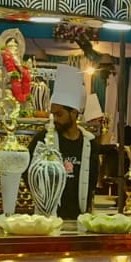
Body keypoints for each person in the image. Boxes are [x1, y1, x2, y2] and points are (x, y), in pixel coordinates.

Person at [34, 64, 98, 220]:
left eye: (59, 114)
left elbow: (92, 180)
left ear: (74, 113)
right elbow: (28, 172)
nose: (55, 119)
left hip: (79, 217)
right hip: (48, 219)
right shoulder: (44, 138)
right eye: (53, 114)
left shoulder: (89, 143)